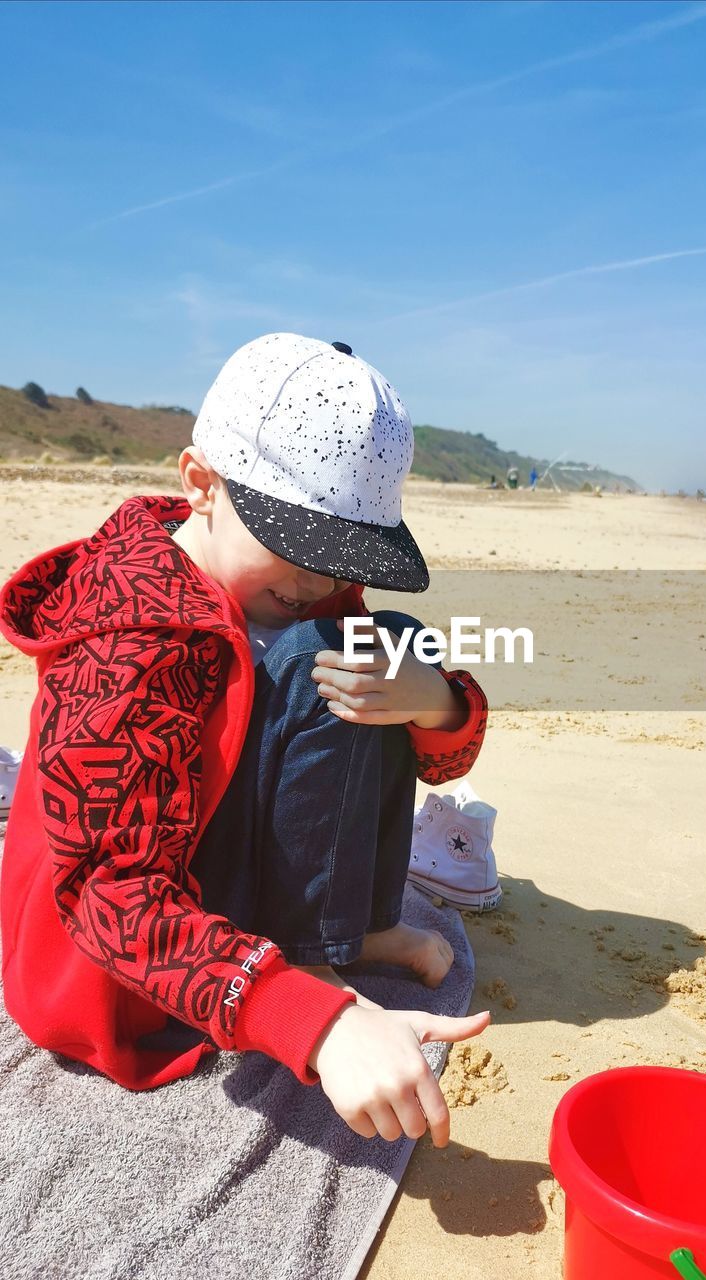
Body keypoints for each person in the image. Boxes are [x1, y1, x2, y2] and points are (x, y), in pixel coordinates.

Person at [0, 333, 491, 1148]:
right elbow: (107, 897)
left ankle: (345, 928)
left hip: (207, 858)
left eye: (340, 558)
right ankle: (305, 956)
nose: (317, 582)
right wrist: (309, 1017)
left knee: (384, 644)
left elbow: (437, 756)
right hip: (110, 970)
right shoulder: (131, 645)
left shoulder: (298, 593)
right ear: (201, 484)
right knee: (314, 662)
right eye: (298, 548)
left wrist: (433, 701)